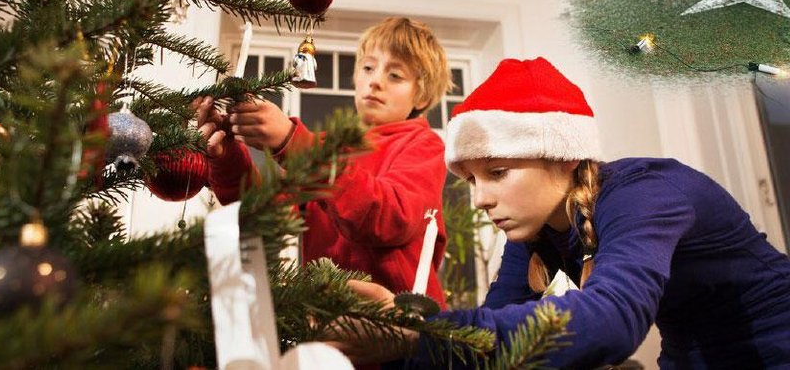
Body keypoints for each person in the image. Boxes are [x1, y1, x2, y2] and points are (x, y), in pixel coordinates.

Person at [337, 57, 790, 369]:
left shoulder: (646, 193)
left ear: (563, 156)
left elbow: (612, 320)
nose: (480, 199)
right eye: (472, 180)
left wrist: (423, 334)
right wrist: (402, 337)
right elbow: (495, 323)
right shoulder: (535, 234)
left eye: (497, 172)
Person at [196, 17, 453, 309]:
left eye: (395, 75)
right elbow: (266, 214)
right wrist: (227, 155)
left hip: (401, 331)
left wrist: (294, 143)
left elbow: (389, 218)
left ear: (421, 94)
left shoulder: (424, 146)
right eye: (368, 67)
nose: (375, 81)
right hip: (328, 322)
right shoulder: (330, 148)